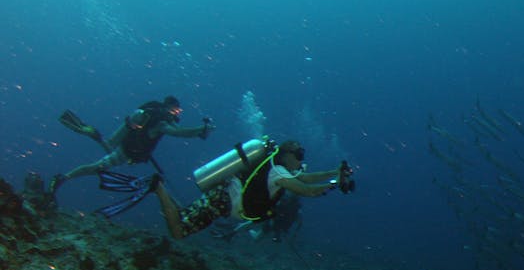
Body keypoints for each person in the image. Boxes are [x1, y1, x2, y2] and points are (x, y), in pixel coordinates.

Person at [153, 139, 352, 240]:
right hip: (223, 199)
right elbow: (308, 191)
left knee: (183, 218)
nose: (301, 159)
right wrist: (336, 184)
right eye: (299, 154)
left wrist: (335, 173)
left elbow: (307, 178)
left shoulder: (278, 168)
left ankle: (159, 188)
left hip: (223, 198)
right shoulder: (278, 173)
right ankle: (158, 187)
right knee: (179, 231)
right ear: (287, 154)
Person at [51, 96, 213, 193]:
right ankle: (65, 176)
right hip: (129, 151)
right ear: (171, 108)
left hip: (125, 141)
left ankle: (66, 174)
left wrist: (199, 131)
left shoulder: (151, 111)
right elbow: (179, 132)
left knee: (104, 152)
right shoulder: (161, 122)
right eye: (177, 111)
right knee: (97, 167)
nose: (177, 114)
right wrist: (201, 128)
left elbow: (179, 129)